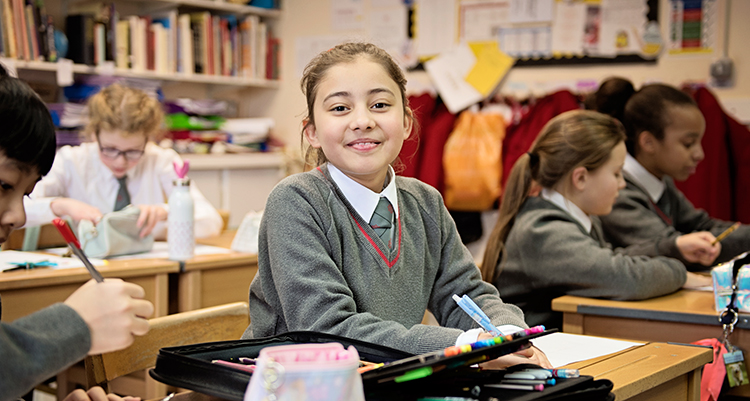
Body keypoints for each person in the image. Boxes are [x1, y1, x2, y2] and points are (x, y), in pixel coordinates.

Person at [242, 42, 549, 368]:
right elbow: (325, 328)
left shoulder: (425, 202)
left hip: (386, 378)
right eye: (340, 109)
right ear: (313, 132)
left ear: (405, 122)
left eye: (379, 104)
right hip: (291, 384)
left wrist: (507, 333)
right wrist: (465, 344)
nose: (362, 121)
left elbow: (466, 294)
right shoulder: (296, 201)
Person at [0, 66, 154, 401]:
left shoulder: (161, 162)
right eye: (4, 185)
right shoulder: (73, 162)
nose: (18, 215)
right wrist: (73, 326)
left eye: (25, 195)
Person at [480, 110, 710, 330]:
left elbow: (609, 259)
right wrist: (678, 273)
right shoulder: (543, 231)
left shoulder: (572, 217)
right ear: (580, 178)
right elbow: (622, 277)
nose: (622, 184)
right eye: (617, 173)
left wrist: (674, 248)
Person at [23, 83, 223, 240]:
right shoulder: (70, 161)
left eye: (133, 151)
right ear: (94, 134)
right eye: (110, 149)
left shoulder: (161, 160)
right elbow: (18, 210)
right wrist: (60, 206)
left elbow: (211, 221)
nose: (120, 161)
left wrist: (165, 213)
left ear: (148, 139)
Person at [589, 77, 745, 269]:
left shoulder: (660, 182)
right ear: (648, 142)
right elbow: (676, 250)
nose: (700, 154)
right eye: (688, 144)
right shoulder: (618, 193)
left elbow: (702, 226)